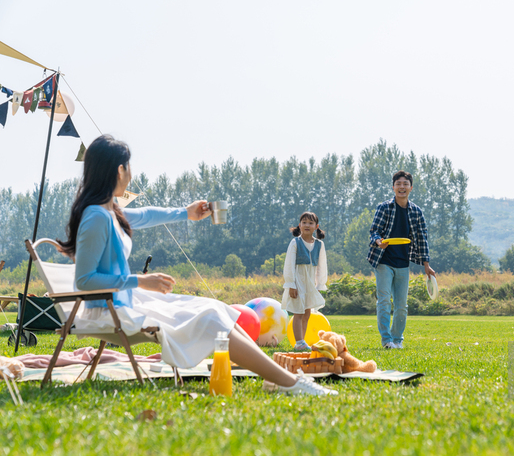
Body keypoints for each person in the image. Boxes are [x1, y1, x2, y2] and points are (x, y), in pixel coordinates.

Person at [57, 134, 336, 396]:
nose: (131, 174)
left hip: (123, 303)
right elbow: (85, 280)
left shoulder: (109, 212)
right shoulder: (96, 216)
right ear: (119, 170)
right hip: (108, 312)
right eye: (129, 167)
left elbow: (145, 214)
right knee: (210, 319)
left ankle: (273, 376)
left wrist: (185, 213)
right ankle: (288, 382)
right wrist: (140, 281)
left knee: (215, 308)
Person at [367, 170, 436, 349]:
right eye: (398, 184)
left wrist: (426, 265)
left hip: (403, 262)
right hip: (383, 260)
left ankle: (397, 339)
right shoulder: (384, 207)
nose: (402, 187)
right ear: (393, 187)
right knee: (383, 300)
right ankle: (387, 340)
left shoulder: (416, 212)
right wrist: (378, 241)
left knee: (401, 305)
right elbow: (374, 230)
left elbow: (422, 239)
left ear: (411, 188)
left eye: (405, 184)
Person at [281, 212, 328, 351]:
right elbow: (289, 264)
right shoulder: (295, 242)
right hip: (298, 281)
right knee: (298, 312)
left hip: (310, 283)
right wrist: (291, 284)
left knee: (307, 313)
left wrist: (319, 284)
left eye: (311, 223)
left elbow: (321, 266)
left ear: (316, 226)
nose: (307, 225)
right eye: (304, 222)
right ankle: (299, 342)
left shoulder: (319, 244)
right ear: (300, 225)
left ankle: (302, 340)